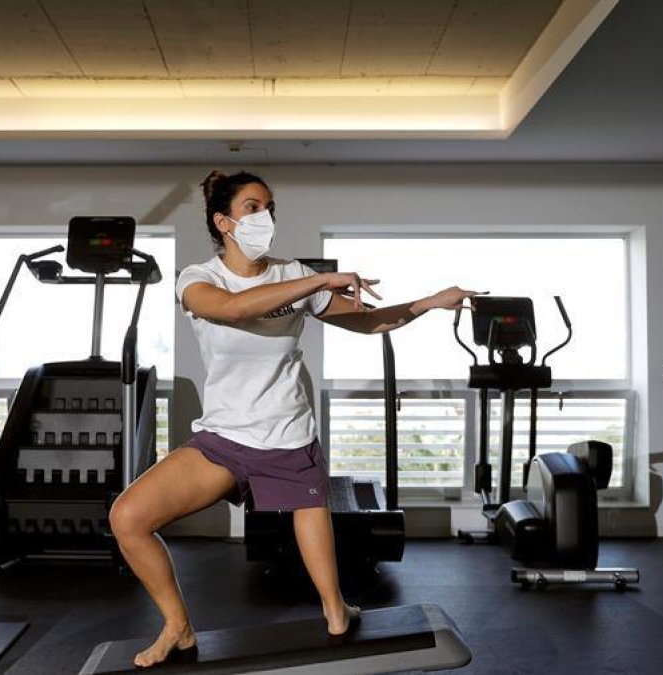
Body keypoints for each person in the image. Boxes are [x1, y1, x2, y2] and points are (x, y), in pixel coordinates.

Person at [108, 170, 482, 667]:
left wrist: (430, 303)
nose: (265, 216)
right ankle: (177, 625)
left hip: (288, 437)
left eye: (269, 206)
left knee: (332, 603)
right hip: (222, 440)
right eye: (252, 207)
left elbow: (369, 321)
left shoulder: (292, 274)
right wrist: (321, 279)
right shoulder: (199, 279)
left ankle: (336, 609)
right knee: (128, 517)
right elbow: (237, 308)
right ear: (224, 222)